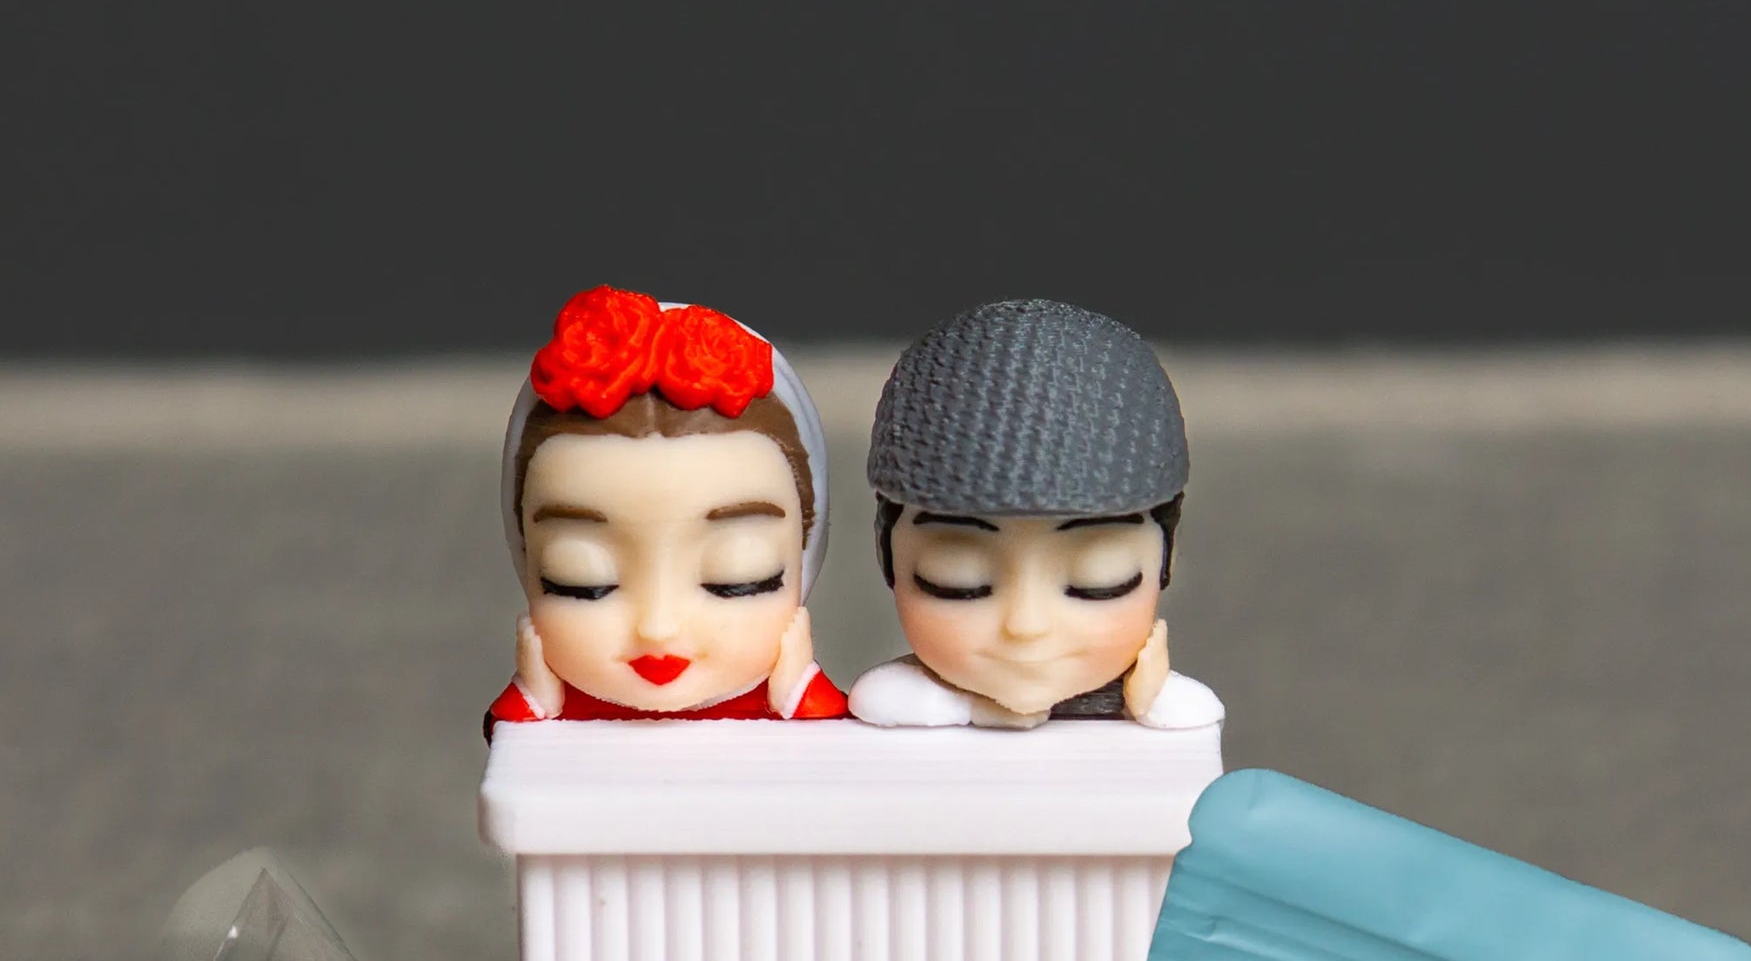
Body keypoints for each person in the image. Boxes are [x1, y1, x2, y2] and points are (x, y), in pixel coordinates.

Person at [848, 298, 1222, 731]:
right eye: (959, 577)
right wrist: (975, 710)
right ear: (887, 552)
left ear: (1165, 557)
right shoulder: (905, 699)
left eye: (1097, 577)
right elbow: (881, 697)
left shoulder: (1164, 707)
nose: (1026, 626)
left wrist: (1151, 700)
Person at [488, 286, 846, 725]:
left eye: (735, 577)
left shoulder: (786, 707)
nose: (658, 628)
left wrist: (798, 693)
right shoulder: (558, 713)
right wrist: (535, 701)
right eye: (581, 579)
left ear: (804, 552)